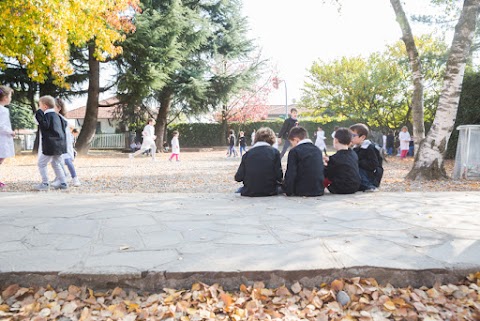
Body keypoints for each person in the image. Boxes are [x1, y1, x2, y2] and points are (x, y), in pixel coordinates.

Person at [234, 127, 283, 197]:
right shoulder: (275, 153)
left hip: (250, 191)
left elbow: (238, 177)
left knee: (239, 190)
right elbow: (279, 176)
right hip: (270, 190)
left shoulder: (247, 154)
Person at [34, 95, 68, 191]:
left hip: (50, 145)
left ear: (45, 106)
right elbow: (64, 125)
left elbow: (44, 126)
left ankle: (45, 183)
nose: (39, 108)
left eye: (39, 105)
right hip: (60, 145)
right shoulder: (58, 116)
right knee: (55, 163)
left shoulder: (47, 116)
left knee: (41, 163)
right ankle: (63, 182)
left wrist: (39, 114)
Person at [282, 126, 324, 197]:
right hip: (318, 189)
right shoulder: (317, 150)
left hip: (301, 190)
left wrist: (287, 190)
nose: (292, 146)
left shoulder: (294, 151)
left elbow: (291, 173)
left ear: (296, 140)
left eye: (292, 143)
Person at [52, 98, 81, 187]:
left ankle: (75, 178)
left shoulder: (63, 120)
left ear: (59, 108)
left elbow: (67, 135)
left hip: (64, 145)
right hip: (57, 145)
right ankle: (60, 178)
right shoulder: (52, 119)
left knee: (68, 161)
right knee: (56, 162)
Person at [323, 128, 361, 194]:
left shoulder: (334, 158)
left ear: (336, 140)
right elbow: (344, 162)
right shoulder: (353, 154)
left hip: (341, 187)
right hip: (356, 186)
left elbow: (328, 173)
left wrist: (324, 164)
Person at [350, 123, 381, 192]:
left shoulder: (369, 148)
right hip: (362, 173)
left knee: (359, 170)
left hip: (371, 174)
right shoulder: (355, 148)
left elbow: (373, 164)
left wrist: (358, 162)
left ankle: (369, 186)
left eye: (353, 135)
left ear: (362, 137)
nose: (350, 138)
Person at [0, 86, 15, 188]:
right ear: (5, 97)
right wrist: (11, 132)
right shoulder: (3, 110)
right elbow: (1, 125)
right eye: (10, 96)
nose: (10, 99)